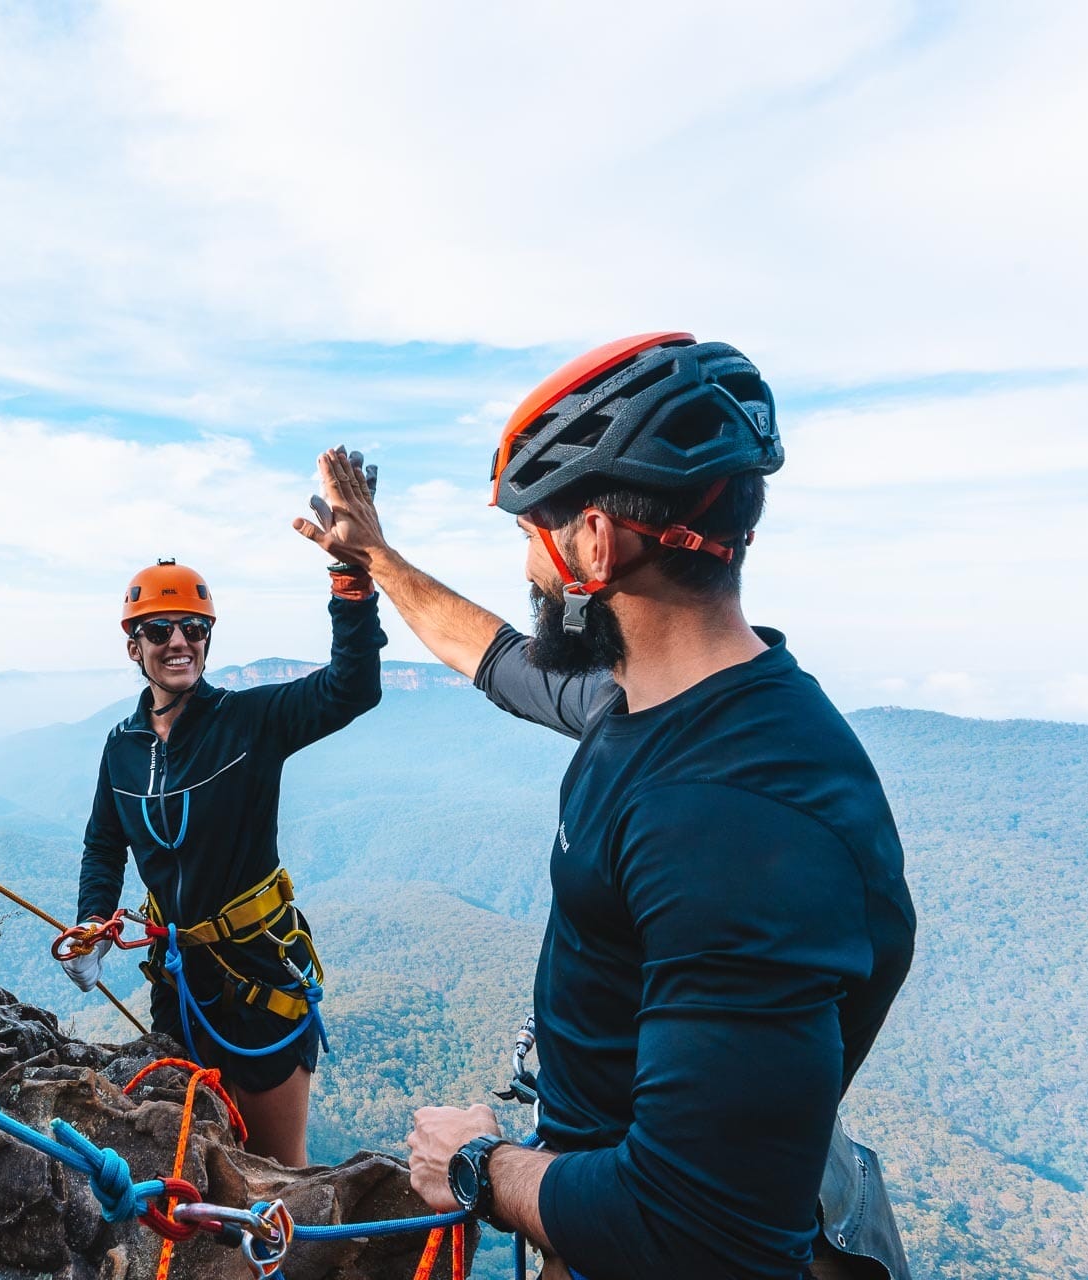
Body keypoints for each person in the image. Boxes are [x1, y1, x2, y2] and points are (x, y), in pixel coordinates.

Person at [293, 333, 917, 1279]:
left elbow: (692, 1230)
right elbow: (498, 659)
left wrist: (477, 1165)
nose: (529, 569)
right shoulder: (657, 704)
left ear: (594, 541)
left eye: (528, 536)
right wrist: (376, 558)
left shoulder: (730, 815)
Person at [59, 474, 387, 1168]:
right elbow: (103, 843)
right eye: (159, 630)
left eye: (194, 629)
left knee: (278, 1173)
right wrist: (92, 923)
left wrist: (351, 578)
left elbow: (350, 688)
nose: (178, 642)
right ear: (133, 645)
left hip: (259, 978)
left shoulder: (250, 721)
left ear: (208, 639)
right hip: (177, 985)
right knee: (198, 1164)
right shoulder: (121, 746)